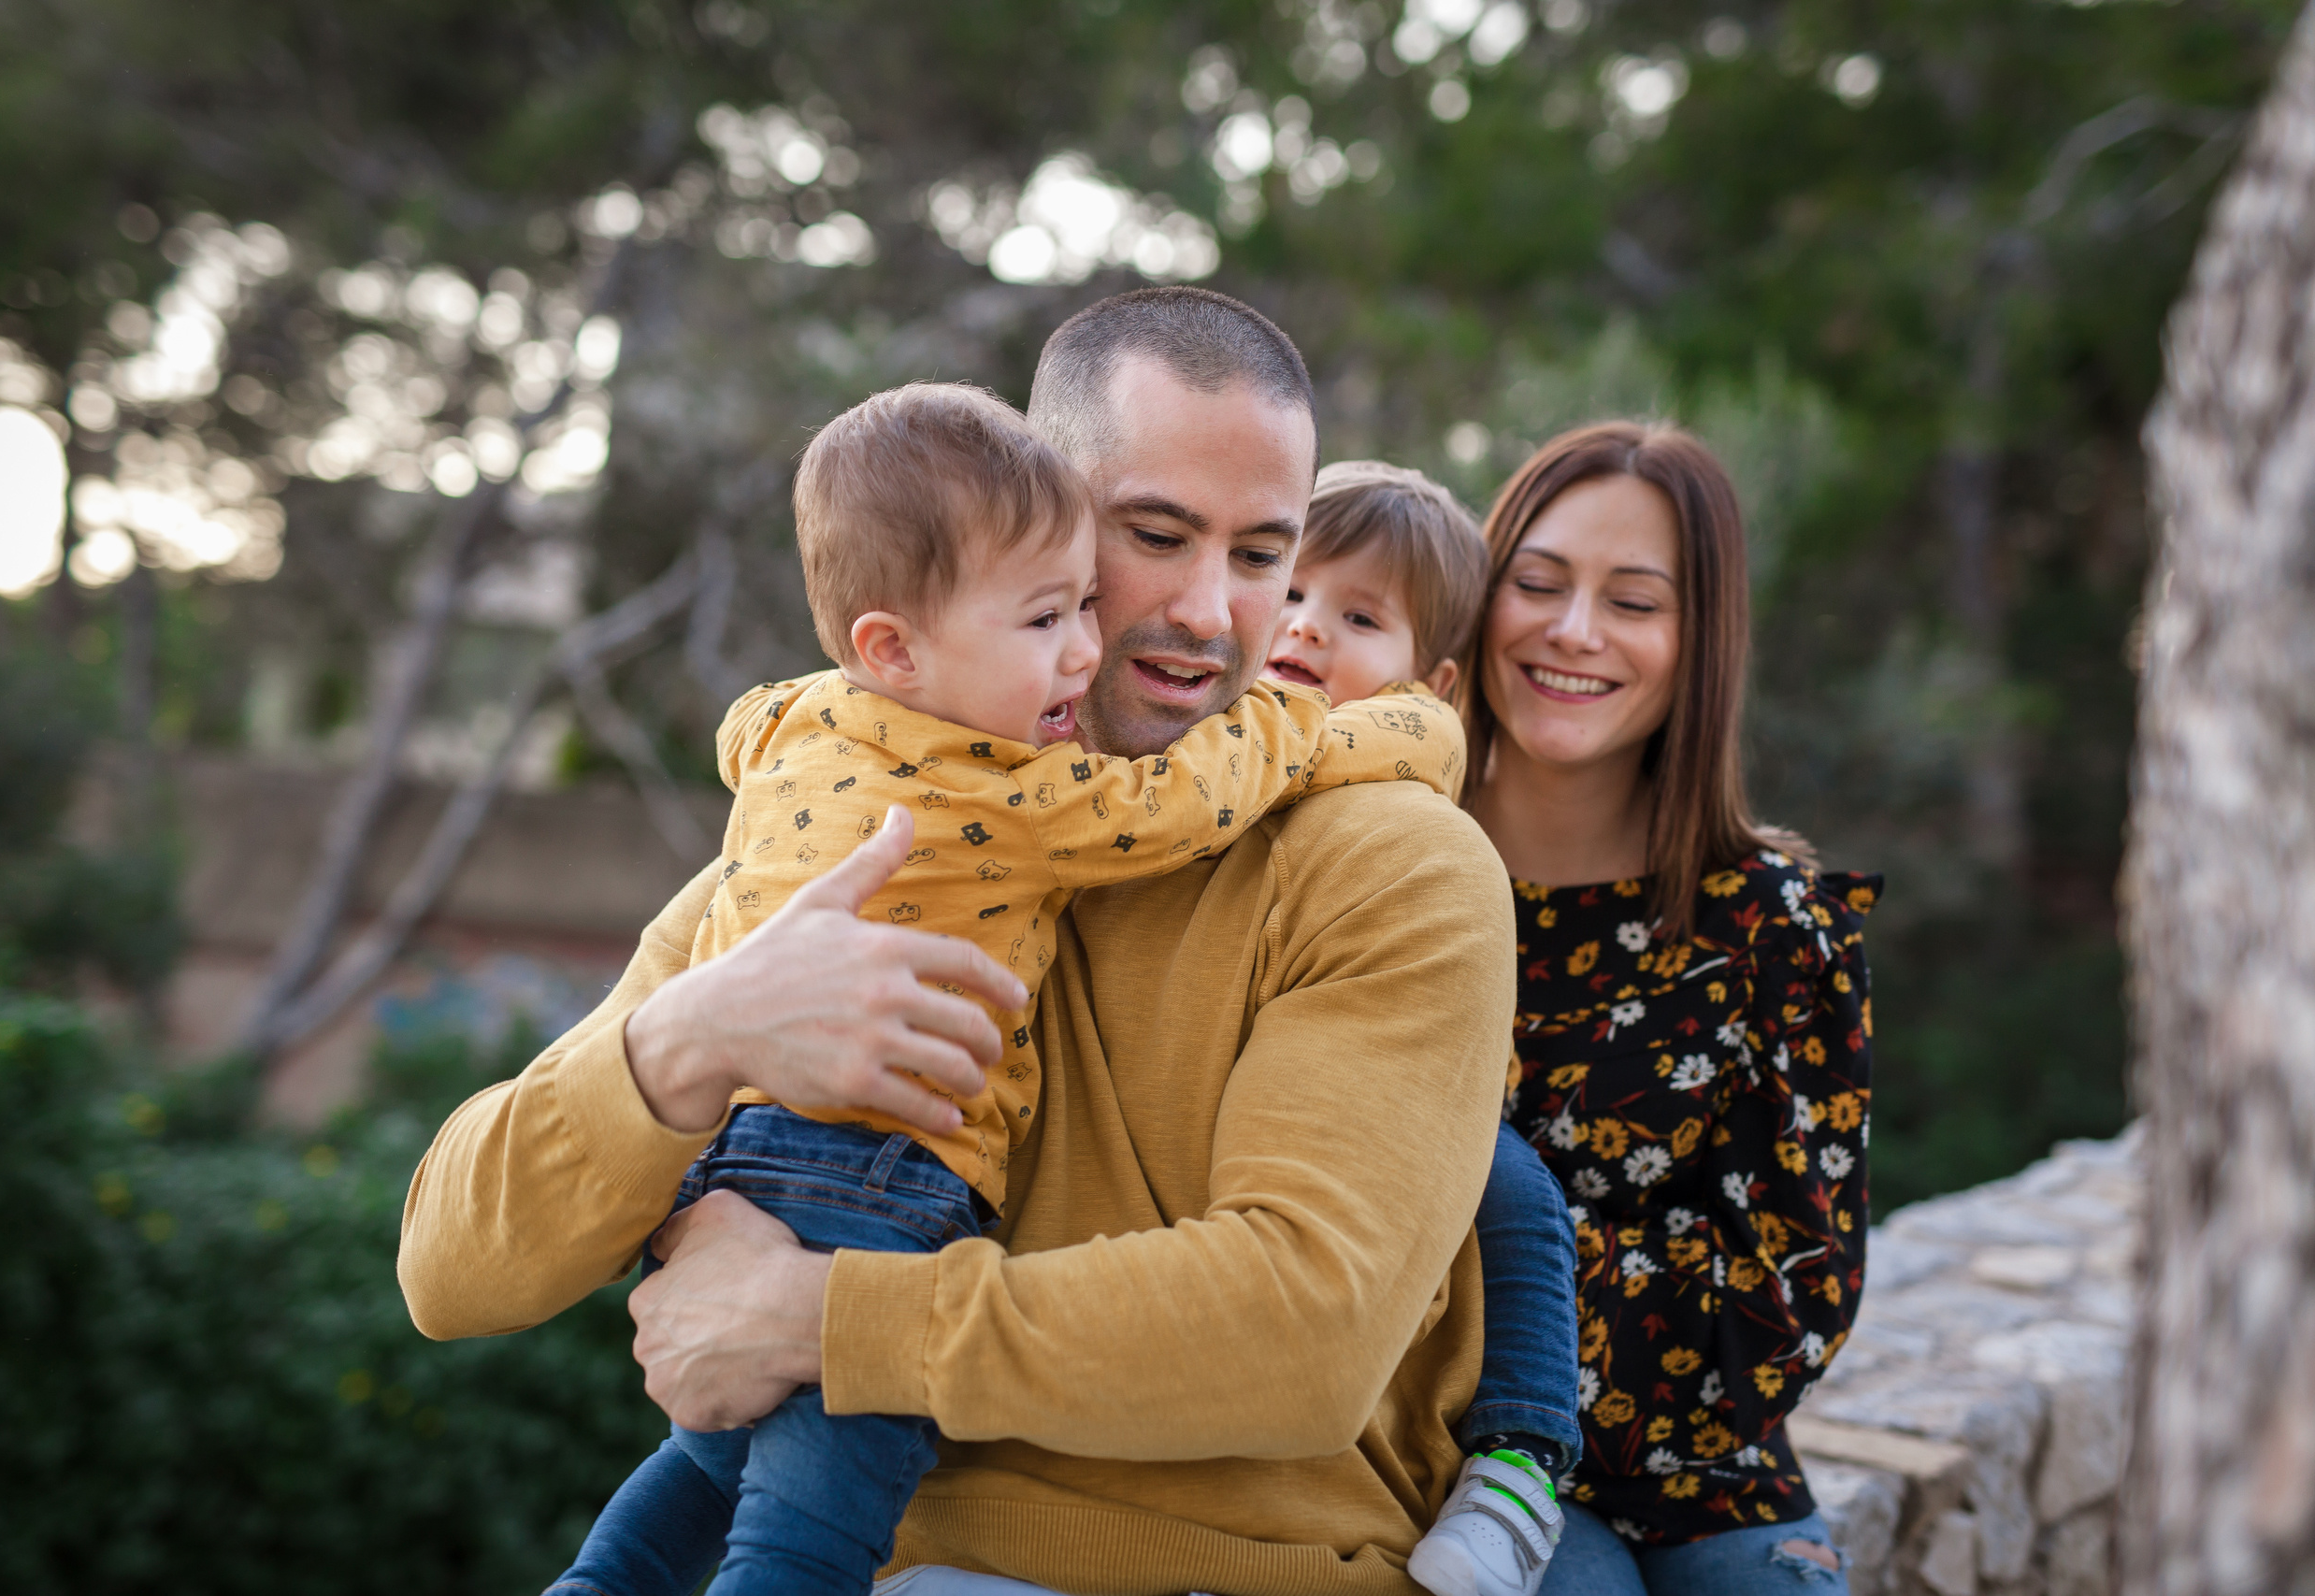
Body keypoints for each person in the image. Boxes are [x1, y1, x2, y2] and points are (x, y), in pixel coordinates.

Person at [398, 287, 1522, 1596]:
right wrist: (690, 1043)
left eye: (1263, 554)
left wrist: (818, 1319)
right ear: (1038, 513)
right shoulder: (862, 833)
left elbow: (1306, 1334)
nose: (1214, 612)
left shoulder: (1394, 862)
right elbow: (450, 1270)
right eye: (1155, 536)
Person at [1454, 422, 1881, 1595]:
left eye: (1633, 602)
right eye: (1537, 584)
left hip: (1712, 1482)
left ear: (1701, 643)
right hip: (1439, 1468)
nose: (1573, 630)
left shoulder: (1778, 926)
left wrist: (1481, 1289)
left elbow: (1791, 1297)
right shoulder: (1377, 862)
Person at [1265, 460, 1583, 1596]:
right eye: (1286, 589)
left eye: (1358, 618)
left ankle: (1520, 1461)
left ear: (1429, 682)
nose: (1306, 626)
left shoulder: (1390, 756)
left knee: (1517, 1195)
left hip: (1410, 1079)